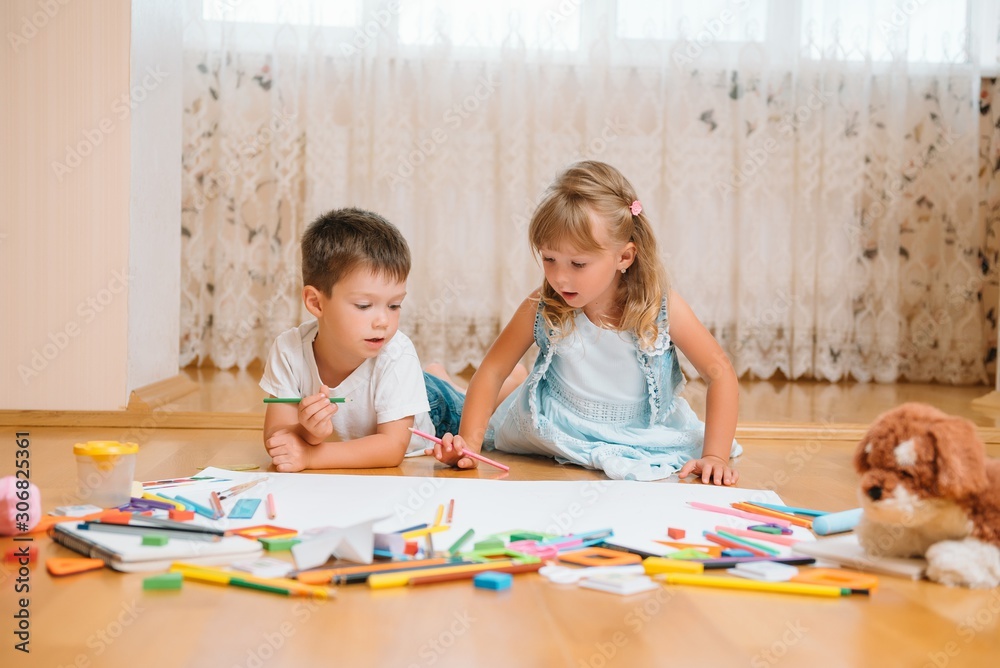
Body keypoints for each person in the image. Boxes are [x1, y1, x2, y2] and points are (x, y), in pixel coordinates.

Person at [427, 161, 742, 484]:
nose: (560, 277)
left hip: (637, 432)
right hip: (557, 425)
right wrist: (469, 446)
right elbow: (492, 370)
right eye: (549, 258)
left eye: (578, 263)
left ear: (624, 257)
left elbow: (720, 375)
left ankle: (503, 384)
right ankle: (456, 381)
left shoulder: (660, 307)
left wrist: (714, 456)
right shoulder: (544, 303)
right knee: (462, 406)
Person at [260, 207, 524, 472]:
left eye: (394, 305)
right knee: (427, 381)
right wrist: (307, 432)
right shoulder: (288, 350)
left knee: (467, 404)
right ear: (316, 302)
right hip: (402, 386)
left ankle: (510, 379)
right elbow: (277, 436)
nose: (383, 322)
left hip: (433, 410)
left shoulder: (396, 353)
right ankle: (435, 375)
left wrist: (311, 456)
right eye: (364, 306)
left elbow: (391, 448)